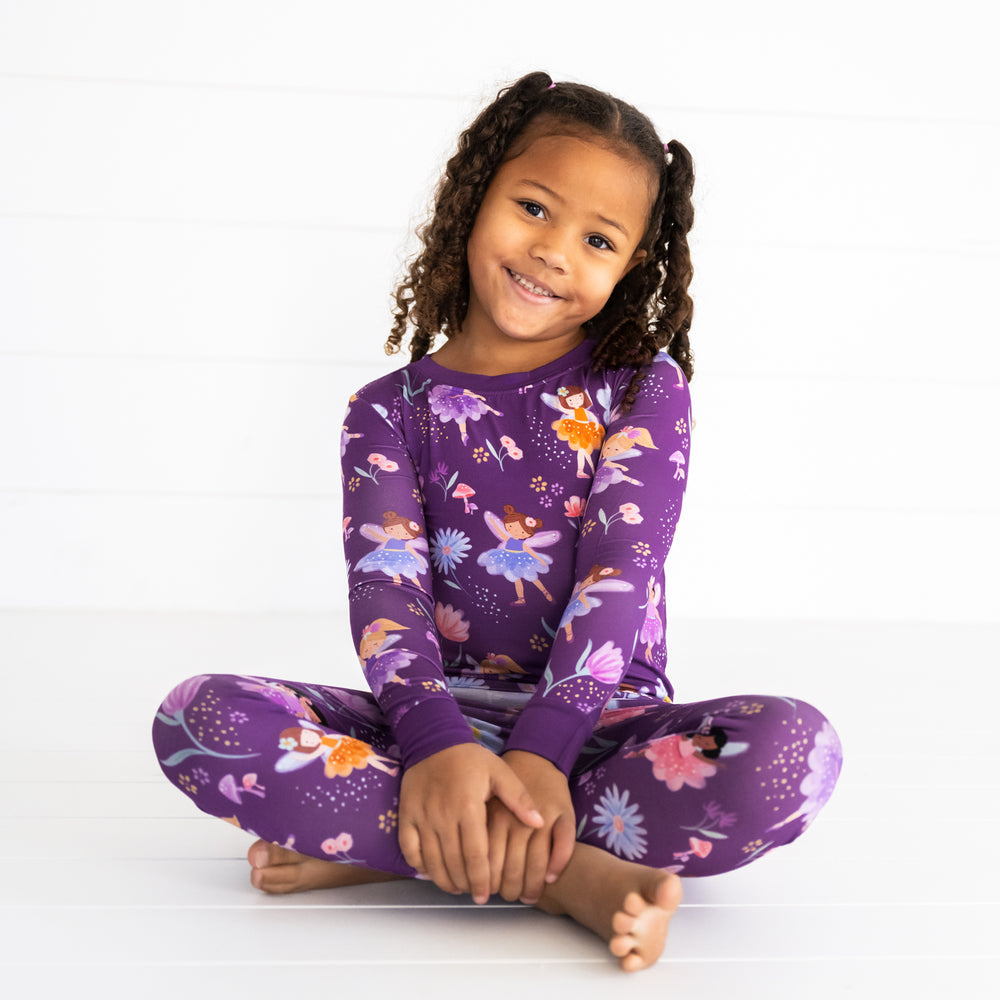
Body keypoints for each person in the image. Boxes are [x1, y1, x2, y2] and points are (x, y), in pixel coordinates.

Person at [152, 71, 843, 972]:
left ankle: (402, 848)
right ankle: (565, 876)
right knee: (195, 717)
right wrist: (436, 742)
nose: (555, 251)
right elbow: (386, 590)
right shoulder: (387, 411)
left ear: (631, 265)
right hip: (430, 727)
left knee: (797, 754)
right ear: (474, 199)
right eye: (534, 208)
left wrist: (548, 749)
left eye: (598, 238)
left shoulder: (641, 386)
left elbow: (620, 573)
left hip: (596, 731)